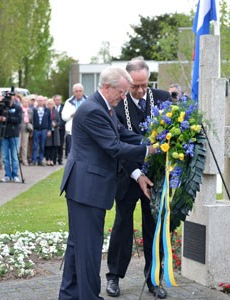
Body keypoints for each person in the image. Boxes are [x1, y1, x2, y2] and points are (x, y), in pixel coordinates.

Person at [58, 66, 155, 300]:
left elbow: (122, 134)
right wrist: (149, 151)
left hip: (88, 188)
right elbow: (114, 147)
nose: (123, 97)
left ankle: (69, 295)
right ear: (107, 87)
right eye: (121, 92)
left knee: (77, 247)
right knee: (88, 249)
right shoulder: (93, 110)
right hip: (86, 189)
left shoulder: (105, 107)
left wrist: (156, 139)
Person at [106, 57, 170, 299]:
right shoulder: (117, 103)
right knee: (122, 225)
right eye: (136, 86)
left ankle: (154, 278)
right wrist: (136, 173)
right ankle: (113, 276)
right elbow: (117, 144)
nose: (141, 91)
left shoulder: (163, 98)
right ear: (128, 82)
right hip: (128, 174)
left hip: (156, 176)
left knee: (154, 227)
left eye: (145, 85)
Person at [0, 91, 22, 183]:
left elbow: (18, 119)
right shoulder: (2, 106)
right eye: (8, 96)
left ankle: (15, 175)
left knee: (14, 156)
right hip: (3, 134)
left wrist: (7, 119)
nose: (9, 98)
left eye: (11, 96)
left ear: (14, 97)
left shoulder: (17, 107)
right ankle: (7, 175)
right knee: (5, 156)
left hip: (14, 134)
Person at [61, 83, 87, 158]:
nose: (78, 93)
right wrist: (72, 114)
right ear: (73, 92)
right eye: (76, 91)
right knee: (72, 152)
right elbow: (63, 117)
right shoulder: (68, 102)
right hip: (72, 130)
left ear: (83, 91)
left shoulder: (88, 100)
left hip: (85, 130)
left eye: (80, 91)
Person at [31, 96, 51, 166]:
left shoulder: (47, 110)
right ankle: (34, 159)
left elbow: (49, 120)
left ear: (43, 101)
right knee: (35, 145)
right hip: (36, 130)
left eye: (41, 100)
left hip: (44, 130)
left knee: (42, 145)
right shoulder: (34, 109)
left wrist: (49, 130)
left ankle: (41, 159)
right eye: (39, 100)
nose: (40, 102)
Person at [45, 98, 61, 166]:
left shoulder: (56, 111)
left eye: (51, 104)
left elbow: (59, 121)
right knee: (48, 145)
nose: (50, 105)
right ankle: (47, 159)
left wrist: (56, 124)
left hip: (55, 130)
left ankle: (52, 159)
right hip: (48, 130)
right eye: (49, 104)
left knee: (54, 145)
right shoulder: (45, 111)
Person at [19, 97, 33, 166]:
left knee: (25, 145)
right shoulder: (19, 109)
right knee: (19, 145)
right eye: (24, 102)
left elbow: (31, 120)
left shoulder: (30, 110)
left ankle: (24, 159)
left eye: (27, 102)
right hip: (19, 128)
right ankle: (18, 159)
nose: (26, 103)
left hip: (26, 128)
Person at [53, 95, 65, 165]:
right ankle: (54, 159)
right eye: (56, 100)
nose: (58, 101)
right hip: (54, 129)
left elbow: (64, 118)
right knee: (54, 144)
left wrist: (59, 125)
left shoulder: (64, 107)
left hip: (61, 128)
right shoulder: (52, 108)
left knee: (61, 144)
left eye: (59, 100)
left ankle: (60, 159)